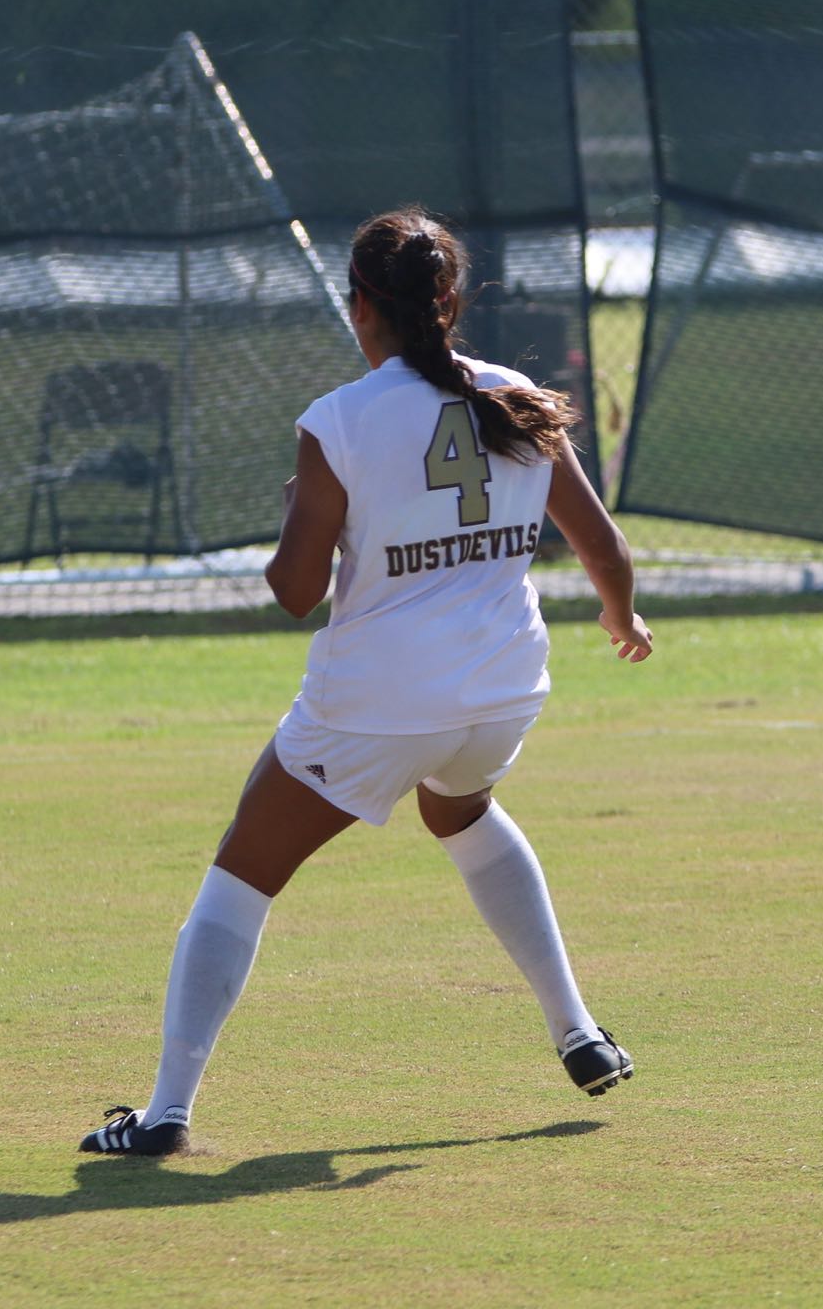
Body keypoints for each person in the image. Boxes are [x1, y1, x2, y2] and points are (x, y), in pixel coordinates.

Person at [79, 208, 653, 1158]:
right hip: (505, 691)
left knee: (241, 872)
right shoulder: (516, 396)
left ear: (360, 310)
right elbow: (605, 547)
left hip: (382, 701)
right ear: (451, 302)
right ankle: (579, 1030)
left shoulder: (338, 420)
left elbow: (294, 594)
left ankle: (165, 1115)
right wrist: (620, 616)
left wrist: (294, 519)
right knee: (460, 811)